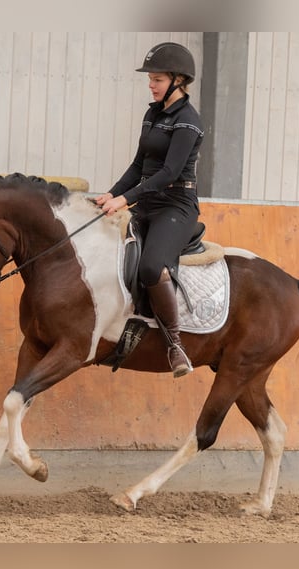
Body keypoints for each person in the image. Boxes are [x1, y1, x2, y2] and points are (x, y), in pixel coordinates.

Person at [95, 42, 204, 378]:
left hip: (176, 205)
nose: (151, 85)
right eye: (151, 79)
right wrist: (111, 193)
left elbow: (169, 172)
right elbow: (139, 164)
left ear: (178, 80)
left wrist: (126, 200)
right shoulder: (152, 114)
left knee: (152, 265)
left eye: (156, 79)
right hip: (148, 201)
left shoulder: (188, 122)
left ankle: (175, 345)